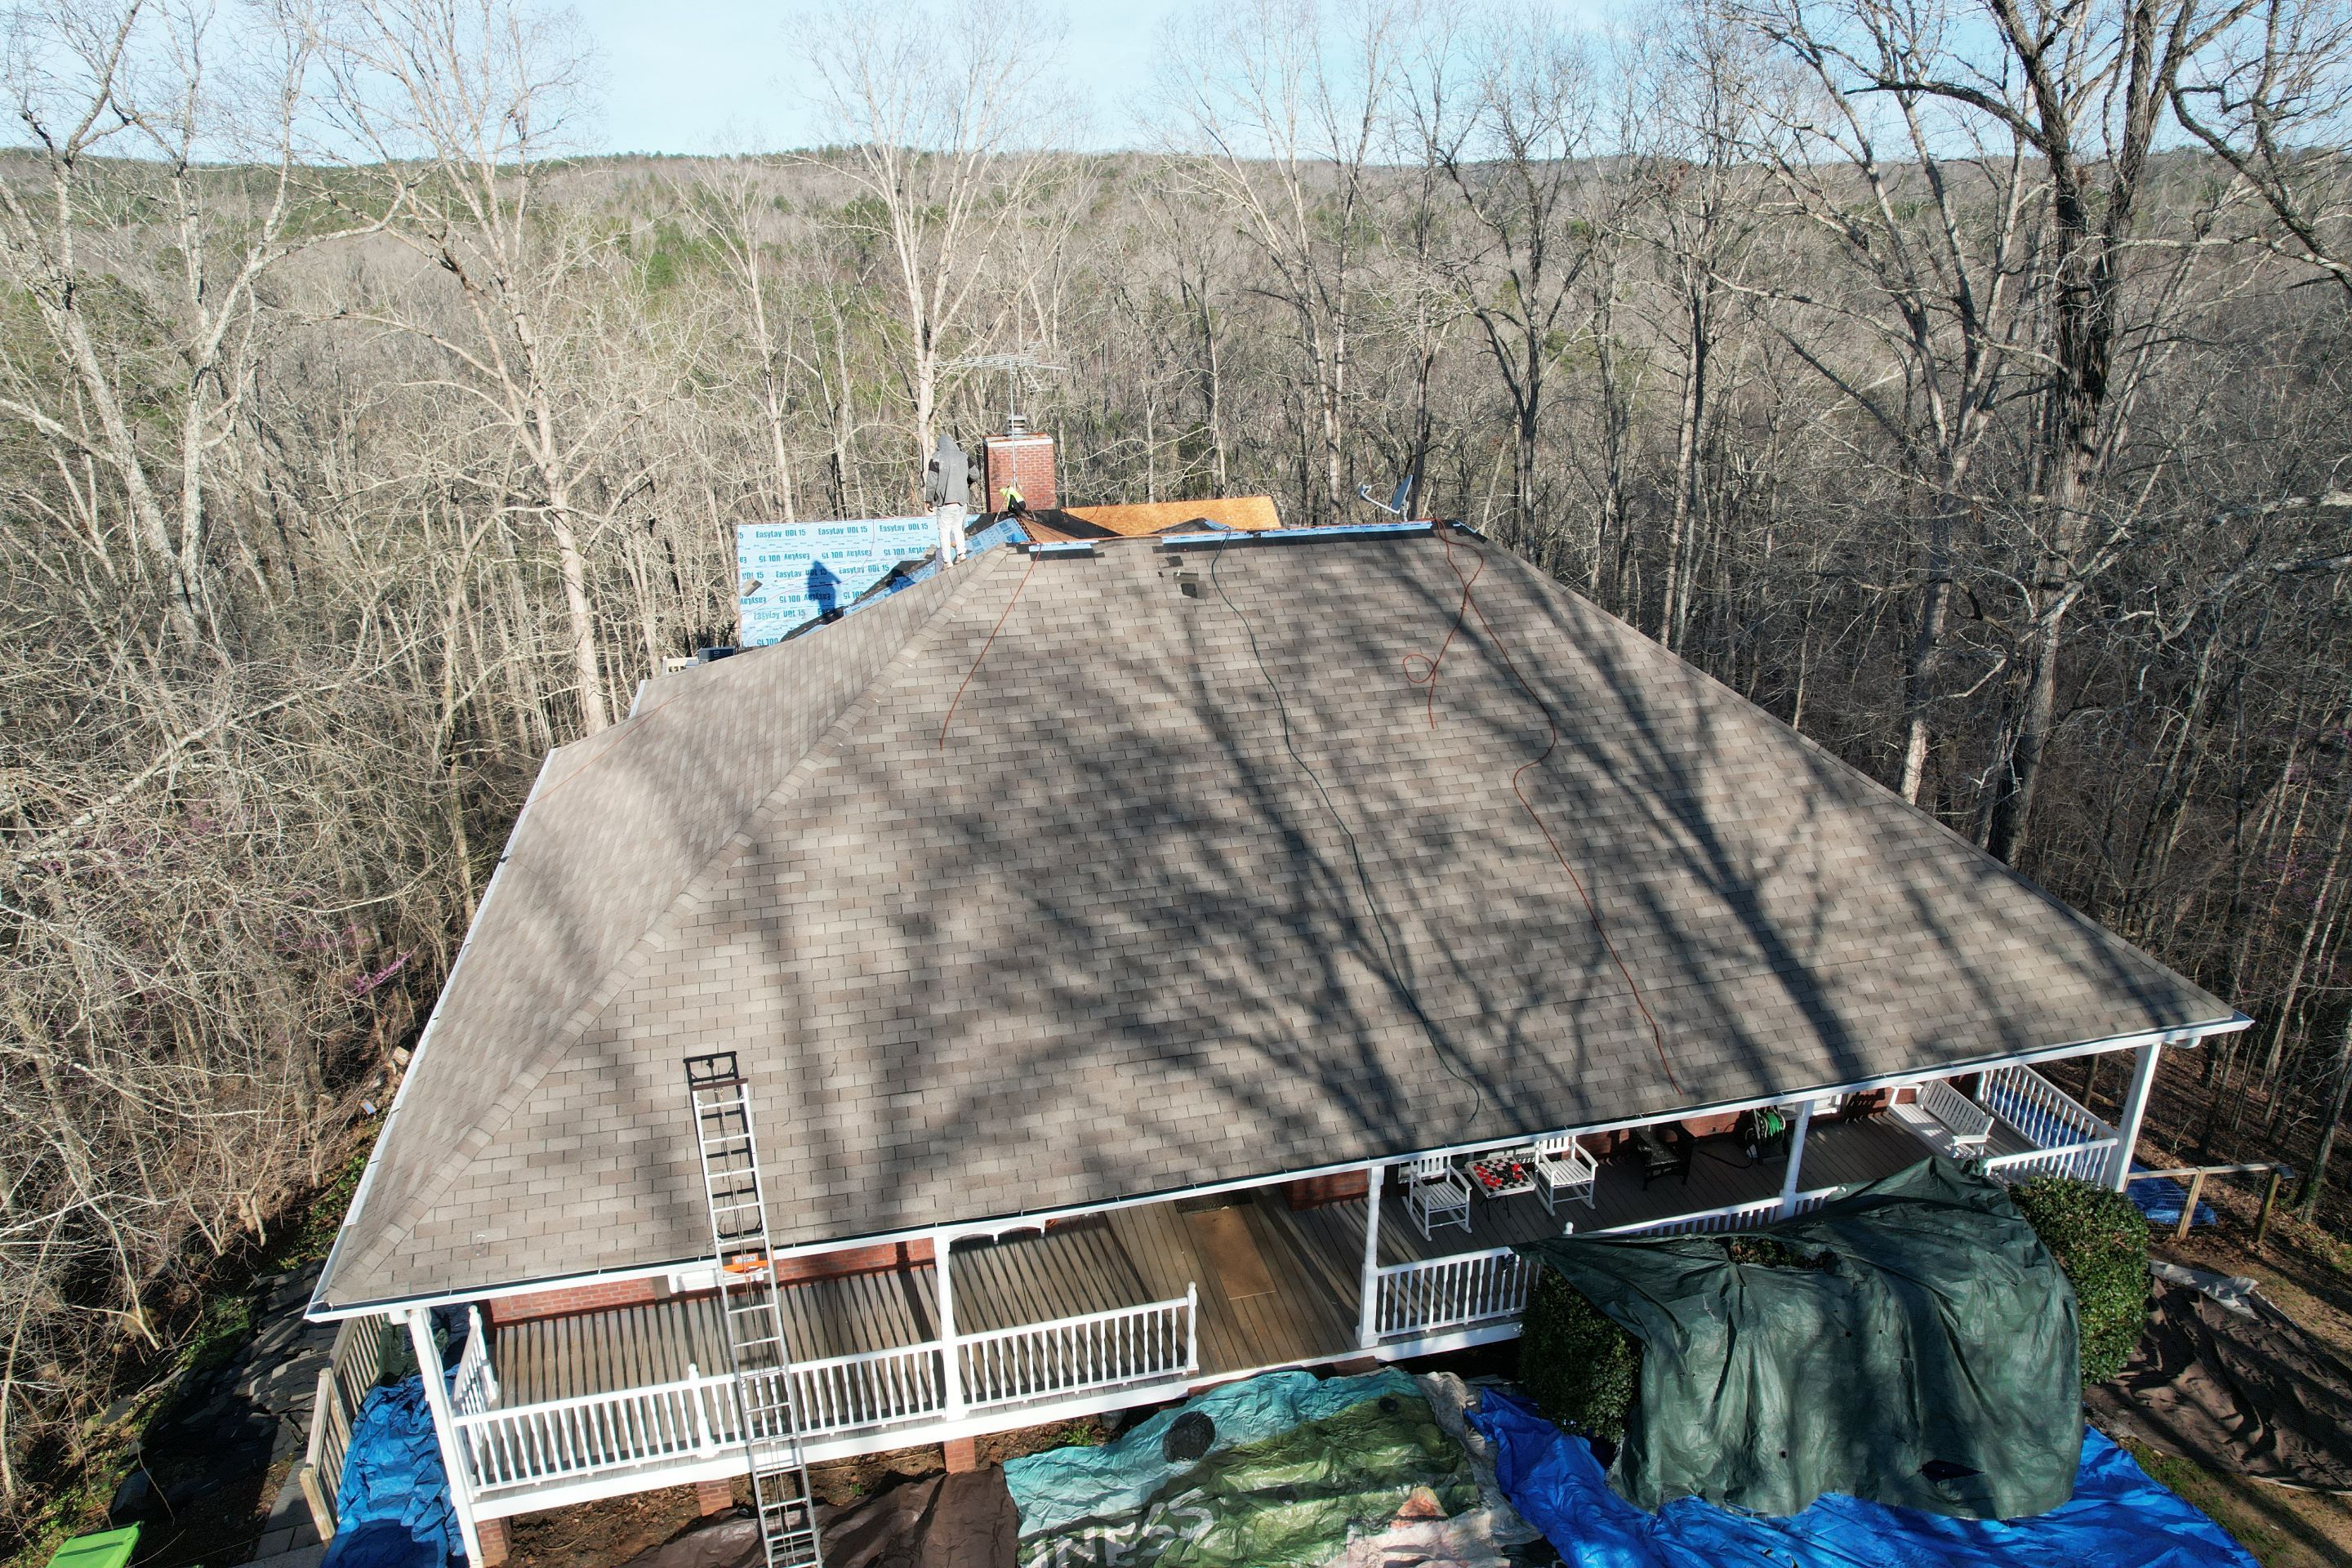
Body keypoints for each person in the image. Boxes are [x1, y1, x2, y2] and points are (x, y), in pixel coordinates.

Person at [925, 432, 970, 564]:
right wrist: (966, 483)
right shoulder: (964, 457)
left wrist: (929, 500)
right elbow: (975, 474)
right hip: (961, 502)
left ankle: (947, 562)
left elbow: (931, 482)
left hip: (945, 503)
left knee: (944, 532)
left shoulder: (936, 458)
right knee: (958, 528)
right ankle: (962, 554)